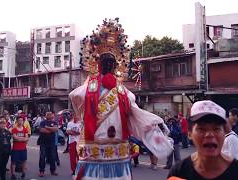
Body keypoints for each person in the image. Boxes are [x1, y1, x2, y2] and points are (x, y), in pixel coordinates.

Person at [69, 18, 172, 180]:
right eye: (105, 61)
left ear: (116, 66)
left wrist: (152, 123)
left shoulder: (123, 92)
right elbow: (75, 96)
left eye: (111, 62)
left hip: (118, 149)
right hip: (94, 146)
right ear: (98, 64)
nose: (108, 65)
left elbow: (135, 113)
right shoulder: (88, 88)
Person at [168, 100, 238, 180]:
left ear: (225, 133)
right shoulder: (179, 173)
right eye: (201, 129)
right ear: (189, 134)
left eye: (216, 128)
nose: (209, 134)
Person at [38, 112, 59, 177]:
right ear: (46, 116)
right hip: (43, 143)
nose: (50, 115)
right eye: (48, 114)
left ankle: (53, 170)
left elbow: (56, 129)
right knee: (42, 157)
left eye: (50, 114)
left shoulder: (54, 122)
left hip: (52, 143)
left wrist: (47, 127)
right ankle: (41, 171)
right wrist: (51, 130)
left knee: (52, 157)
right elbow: (42, 130)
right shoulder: (42, 122)